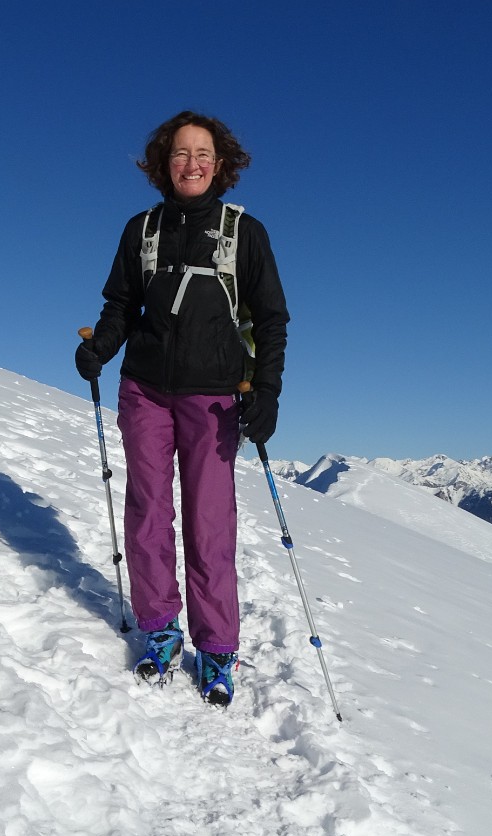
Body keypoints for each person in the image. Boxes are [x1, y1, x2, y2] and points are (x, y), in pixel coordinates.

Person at [75, 111, 289, 707]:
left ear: (221, 164)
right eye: (179, 154)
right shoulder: (140, 229)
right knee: (147, 513)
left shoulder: (245, 232)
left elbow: (272, 321)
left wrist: (266, 391)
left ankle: (217, 647)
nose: (190, 164)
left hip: (215, 398)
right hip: (144, 388)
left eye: (201, 154)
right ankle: (160, 629)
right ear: (161, 164)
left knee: (209, 522)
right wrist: (99, 347)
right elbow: (121, 303)